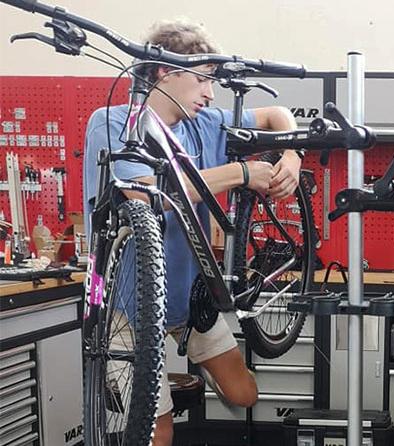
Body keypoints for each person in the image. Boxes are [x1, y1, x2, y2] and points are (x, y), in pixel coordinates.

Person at [82, 19, 302, 446]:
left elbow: (277, 115)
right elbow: (144, 194)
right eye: (203, 79)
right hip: (127, 307)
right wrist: (239, 172)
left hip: (190, 298)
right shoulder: (112, 122)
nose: (211, 93)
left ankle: (168, 381)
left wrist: (291, 154)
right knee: (158, 435)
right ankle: (146, 389)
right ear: (166, 71)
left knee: (245, 394)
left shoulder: (204, 124)